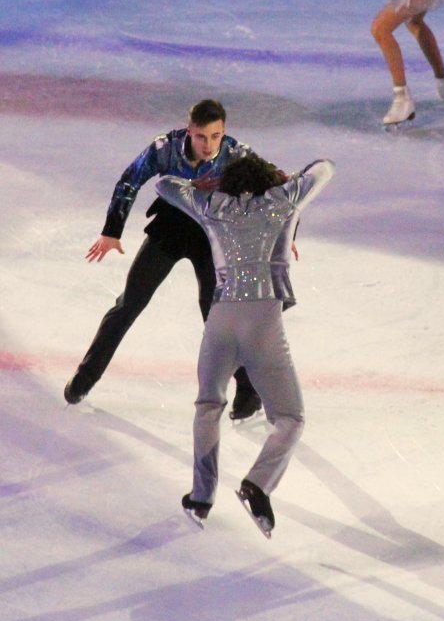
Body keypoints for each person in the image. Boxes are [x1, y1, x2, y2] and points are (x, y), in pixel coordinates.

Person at [154, 153, 335, 537]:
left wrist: (200, 185)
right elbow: (325, 168)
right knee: (290, 417)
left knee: (208, 405)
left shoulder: (212, 205)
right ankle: (257, 484)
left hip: (221, 318)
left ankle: (201, 497)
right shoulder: (281, 200)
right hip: (263, 320)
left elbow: (163, 185)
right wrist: (290, 178)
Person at [64, 99, 264, 419]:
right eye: (201, 137)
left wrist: (284, 239)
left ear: (223, 132)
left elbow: (275, 192)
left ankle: (249, 390)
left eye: (215, 136)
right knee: (129, 303)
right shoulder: (165, 148)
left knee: (217, 317)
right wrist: (112, 231)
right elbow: (130, 179)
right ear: (190, 131)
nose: (208, 145)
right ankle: (86, 377)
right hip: (169, 229)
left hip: (210, 235)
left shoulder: (237, 154)